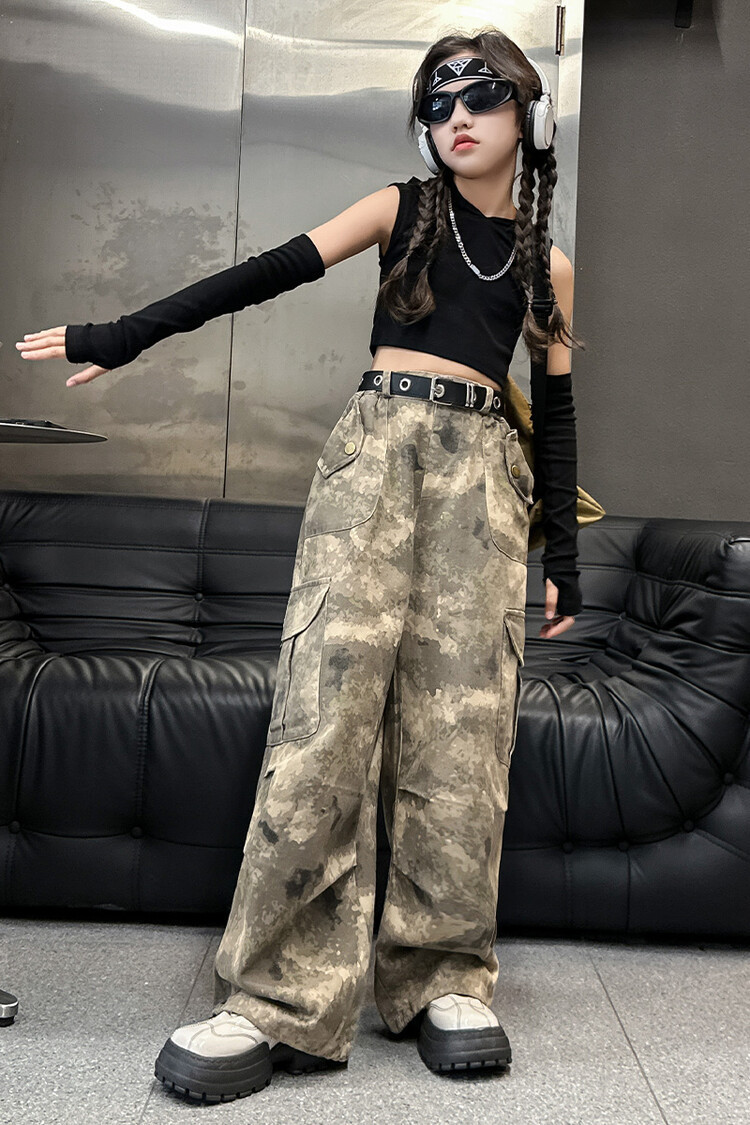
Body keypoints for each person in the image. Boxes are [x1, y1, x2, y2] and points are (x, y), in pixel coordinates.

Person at [16, 26, 586, 1104]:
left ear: (530, 116)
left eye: (482, 96)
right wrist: (124, 332)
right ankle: (274, 996)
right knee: (323, 717)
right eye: (437, 101)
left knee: (463, 730)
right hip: (375, 458)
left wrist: (567, 551)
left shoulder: (546, 265)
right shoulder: (400, 210)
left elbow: (554, 414)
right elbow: (265, 271)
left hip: (485, 484)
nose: (458, 116)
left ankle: (444, 975)